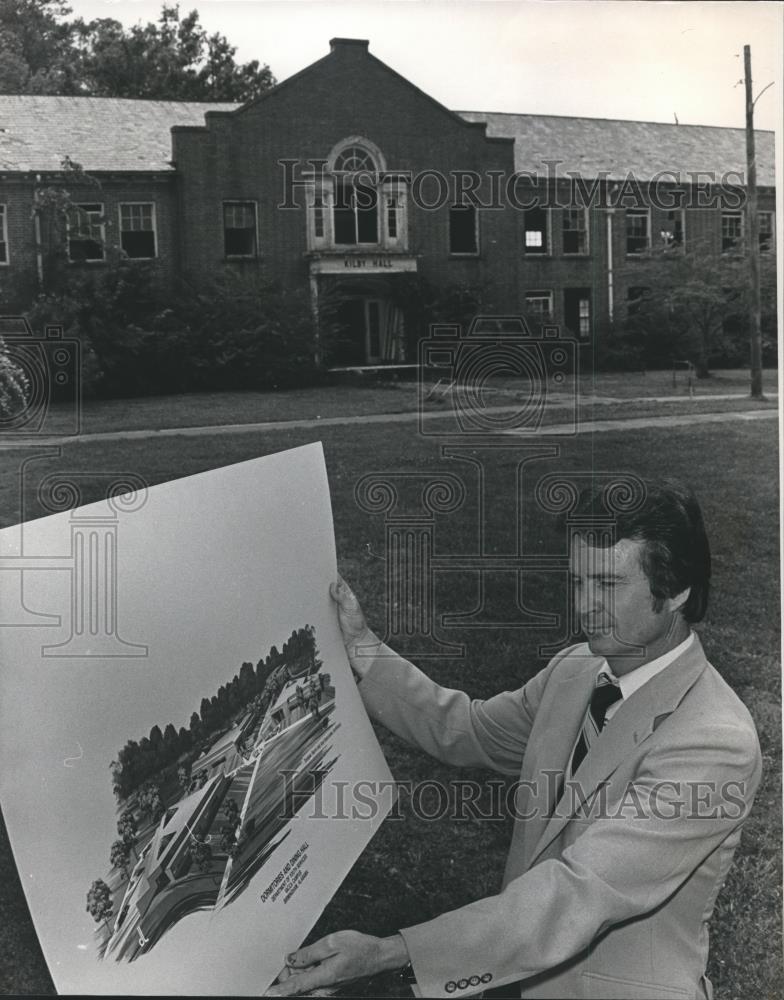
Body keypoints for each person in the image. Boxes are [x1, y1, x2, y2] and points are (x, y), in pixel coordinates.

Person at [268, 479, 762, 999]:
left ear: (678, 590)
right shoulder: (576, 670)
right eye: (577, 581)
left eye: (608, 585)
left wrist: (396, 952)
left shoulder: (713, 742)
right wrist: (362, 649)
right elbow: (469, 729)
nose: (586, 607)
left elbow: (575, 894)